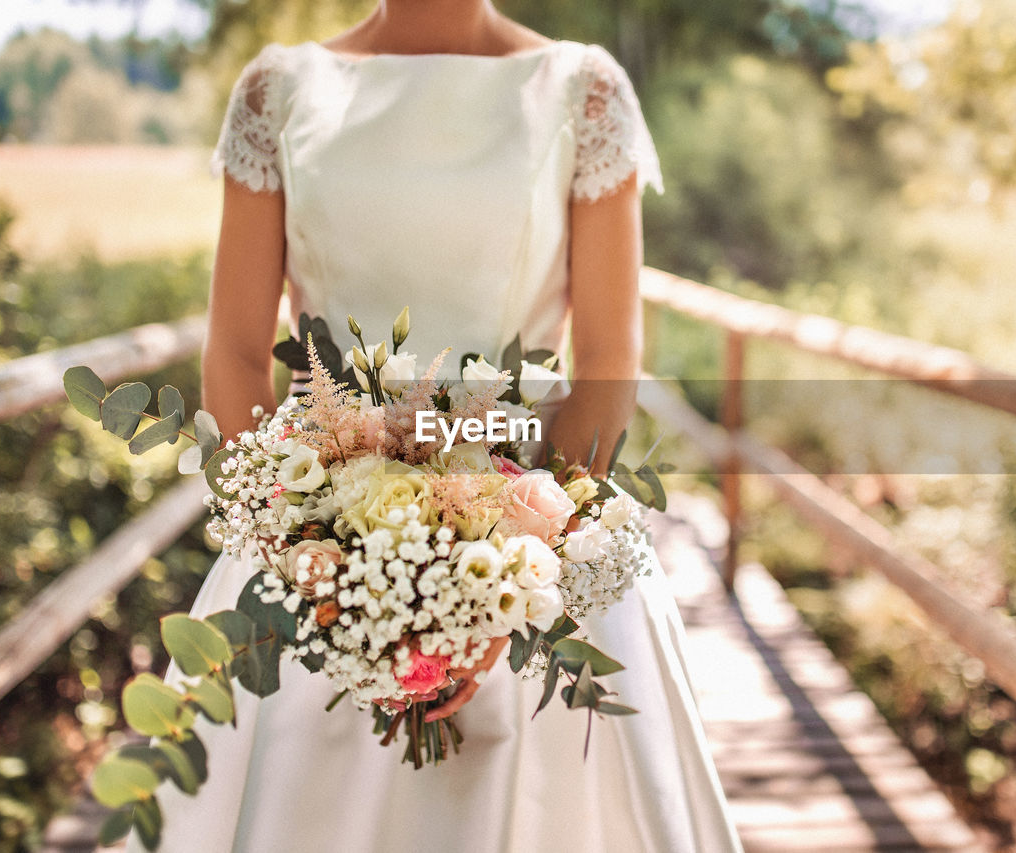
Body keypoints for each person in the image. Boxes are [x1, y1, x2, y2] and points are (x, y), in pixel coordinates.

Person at [128, 2, 743, 850]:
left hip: (535, 551)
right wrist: (306, 557)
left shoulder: (582, 91)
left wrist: (509, 590)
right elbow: (235, 352)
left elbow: (606, 365)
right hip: (315, 559)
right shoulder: (277, 91)